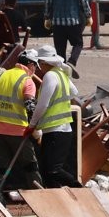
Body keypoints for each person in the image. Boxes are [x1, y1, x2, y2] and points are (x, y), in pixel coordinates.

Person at [0, 49, 42, 190]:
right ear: (30, 64)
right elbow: (30, 107)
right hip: (19, 131)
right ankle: (39, 196)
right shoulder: (27, 81)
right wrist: (36, 129)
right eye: (35, 66)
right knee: (30, 166)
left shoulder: (1, 76)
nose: (35, 70)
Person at [30, 45, 81, 188]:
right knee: (47, 171)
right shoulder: (61, 74)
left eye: (39, 63)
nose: (39, 66)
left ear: (45, 63)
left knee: (53, 170)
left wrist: (32, 125)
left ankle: (79, 188)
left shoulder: (50, 76)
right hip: (60, 130)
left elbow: (42, 105)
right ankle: (55, 197)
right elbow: (73, 92)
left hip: (55, 131)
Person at [44, 0, 91, 79]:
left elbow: (48, 3)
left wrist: (47, 18)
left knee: (60, 49)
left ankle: (62, 74)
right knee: (78, 43)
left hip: (57, 23)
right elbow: (83, 2)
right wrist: (88, 15)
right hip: (73, 22)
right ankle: (72, 61)